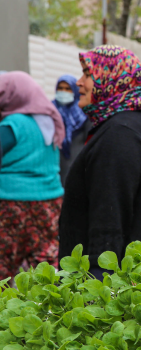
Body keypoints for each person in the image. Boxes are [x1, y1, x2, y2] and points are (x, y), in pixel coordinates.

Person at [58, 45, 141, 279]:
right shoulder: (125, 124)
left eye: (87, 73)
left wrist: (98, 281)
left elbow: (108, 222)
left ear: (111, 79)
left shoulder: (120, 134)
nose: (79, 82)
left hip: (132, 281)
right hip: (138, 273)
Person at [0, 71, 65, 280]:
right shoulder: (49, 122)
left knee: (4, 263)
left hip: (11, 203)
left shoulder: (12, 124)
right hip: (49, 202)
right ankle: (48, 308)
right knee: (45, 264)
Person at [53, 74, 91, 184]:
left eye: (67, 88)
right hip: (55, 163)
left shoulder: (84, 113)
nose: (63, 91)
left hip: (77, 162)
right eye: (60, 88)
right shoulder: (50, 110)